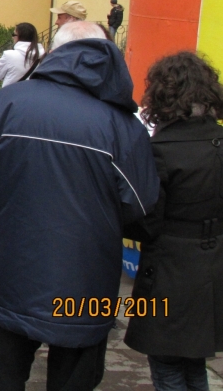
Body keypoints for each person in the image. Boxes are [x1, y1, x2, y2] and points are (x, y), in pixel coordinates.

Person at [0, 21, 160, 391]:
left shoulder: (8, 103)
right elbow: (139, 204)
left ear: (55, 53)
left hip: (14, 274)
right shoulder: (121, 125)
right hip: (87, 283)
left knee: (2, 379)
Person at [122, 52, 223, 391]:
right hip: (214, 266)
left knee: (167, 364)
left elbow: (146, 221)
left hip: (171, 268)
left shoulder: (162, 147)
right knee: (194, 362)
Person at [0, 22, 44, 87]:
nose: (12, 37)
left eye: (13, 34)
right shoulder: (44, 56)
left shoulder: (9, 55)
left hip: (12, 94)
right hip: (34, 94)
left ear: (19, 37)